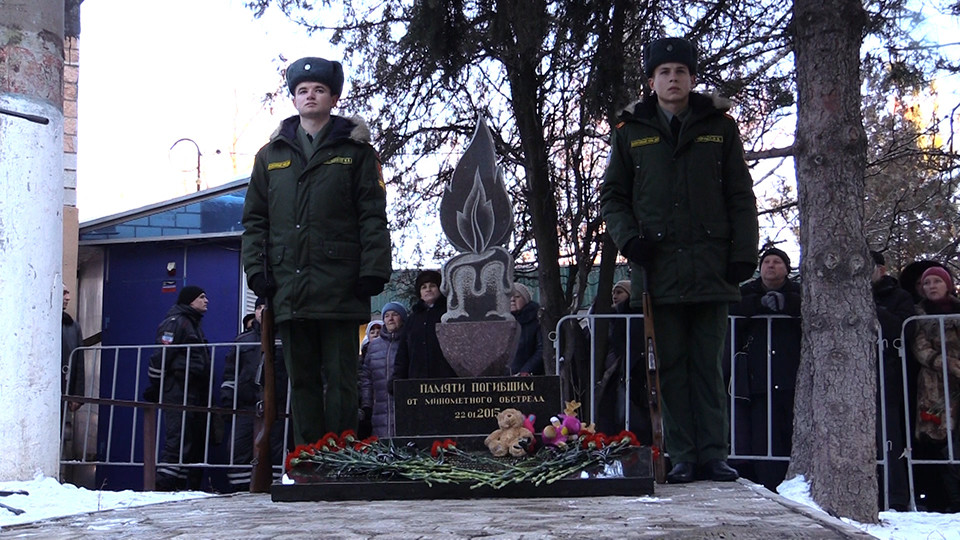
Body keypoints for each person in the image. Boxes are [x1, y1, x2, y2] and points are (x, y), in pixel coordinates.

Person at [600, 37, 759, 484]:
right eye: (664, 72)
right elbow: (613, 196)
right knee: (668, 365)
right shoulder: (631, 131)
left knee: (708, 364)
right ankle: (683, 453)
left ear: (692, 79)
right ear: (651, 81)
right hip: (659, 267)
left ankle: (714, 453)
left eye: (681, 71)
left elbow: (740, 195)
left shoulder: (719, 127)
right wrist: (630, 241)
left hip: (712, 264)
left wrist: (743, 255)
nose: (673, 79)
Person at [241, 56, 392, 447]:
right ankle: (308, 455)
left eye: (319, 90)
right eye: (302, 91)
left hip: (341, 285)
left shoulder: (357, 152)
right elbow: (255, 221)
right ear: (293, 100)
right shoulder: (269, 156)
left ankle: (341, 454)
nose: (310, 96)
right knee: (302, 377)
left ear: (334, 97)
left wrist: (373, 270)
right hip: (290, 288)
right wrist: (258, 274)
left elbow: (373, 216)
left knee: (341, 377)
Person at [728, 247, 801, 492]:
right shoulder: (746, 292)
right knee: (761, 433)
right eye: (766, 261)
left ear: (787, 268)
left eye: (777, 262)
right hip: (757, 376)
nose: (771, 266)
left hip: (791, 374)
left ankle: (792, 482)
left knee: (789, 429)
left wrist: (787, 303)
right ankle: (765, 482)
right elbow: (732, 310)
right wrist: (758, 305)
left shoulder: (799, 293)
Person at [145, 285, 212, 491]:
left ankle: (180, 484)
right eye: (201, 297)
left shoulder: (192, 323)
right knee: (177, 436)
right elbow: (162, 355)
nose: (206, 300)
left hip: (190, 389)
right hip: (176, 388)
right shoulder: (176, 323)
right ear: (189, 301)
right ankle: (164, 485)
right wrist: (155, 385)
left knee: (187, 438)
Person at [219, 297, 288, 492]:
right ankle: (239, 490)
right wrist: (227, 398)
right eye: (258, 307)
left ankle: (274, 488)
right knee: (238, 450)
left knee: (276, 450)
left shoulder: (285, 339)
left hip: (278, 406)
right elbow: (231, 372)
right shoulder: (242, 340)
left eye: (266, 306)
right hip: (245, 406)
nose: (262, 310)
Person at [911, 266, 960, 511]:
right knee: (940, 444)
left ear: (947, 285)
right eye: (927, 282)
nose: (931, 286)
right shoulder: (919, 314)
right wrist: (947, 363)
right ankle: (948, 503)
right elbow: (920, 348)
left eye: (936, 281)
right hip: (935, 388)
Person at [870, 250, 915, 510]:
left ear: (882, 269)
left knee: (890, 438)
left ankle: (895, 499)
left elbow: (902, 329)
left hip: (889, 374)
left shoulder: (899, 296)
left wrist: (873, 309)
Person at [392, 270, 455, 383]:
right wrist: (397, 379)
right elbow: (403, 353)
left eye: (432, 286)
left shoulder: (449, 315)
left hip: (446, 381)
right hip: (417, 381)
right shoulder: (413, 319)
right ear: (419, 292)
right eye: (423, 287)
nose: (428, 289)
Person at [360, 302, 407, 438]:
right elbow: (366, 379)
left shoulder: (408, 341)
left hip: (404, 407)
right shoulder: (373, 347)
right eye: (387, 315)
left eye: (395, 315)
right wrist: (367, 404)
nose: (390, 318)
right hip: (379, 410)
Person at [509, 283, 543, 376]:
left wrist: (525, 370)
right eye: (509, 296)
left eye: (517, 296)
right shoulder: (501, 321)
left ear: (526, 299)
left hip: (528, 376)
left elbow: (541, 349)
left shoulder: (536, 320)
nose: (512, 299)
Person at [61, 287, 85, 413]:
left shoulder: (72, 326)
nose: (68, 298)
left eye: (68, 293)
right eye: (64, 293)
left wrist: (78, 395)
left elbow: (79, 362)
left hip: (65, 390)